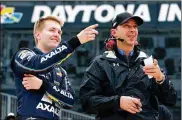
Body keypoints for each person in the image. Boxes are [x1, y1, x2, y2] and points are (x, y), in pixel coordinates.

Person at [79, 12, 177, 120]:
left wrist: (161, 79)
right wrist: (118, 102)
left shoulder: (148, 62)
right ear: (114, 32)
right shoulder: (100, 63)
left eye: (135, 26)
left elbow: (171, 100)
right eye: (126, 26)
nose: (132, 30)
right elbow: (86, 101)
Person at [10, 16, 98, 120]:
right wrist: (75, 41)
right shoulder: (23, 55)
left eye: (59, 32)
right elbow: (38, 65)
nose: (56, 34)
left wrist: (44, 85)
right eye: (52, 30)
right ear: (38, 35)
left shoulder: (60, 71)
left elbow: (69, 101)